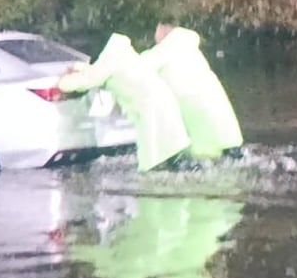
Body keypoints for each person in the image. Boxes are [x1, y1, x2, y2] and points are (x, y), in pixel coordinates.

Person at [57, 33, 191, 172]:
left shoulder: (110, 60)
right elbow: (97, 71)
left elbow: (89, 79)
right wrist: (78, 68)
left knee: (152, 168)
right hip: (163, 106)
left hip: (152, 113)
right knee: (171, 159)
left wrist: (61, 83)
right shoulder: (121, 54)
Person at [140, 23, 243, 159]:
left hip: (196, 110)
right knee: (233, 161)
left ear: (161, 28)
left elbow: (138, 67)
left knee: (199, 164)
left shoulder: (167, 49)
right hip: (227, 127)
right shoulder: (190, 47)